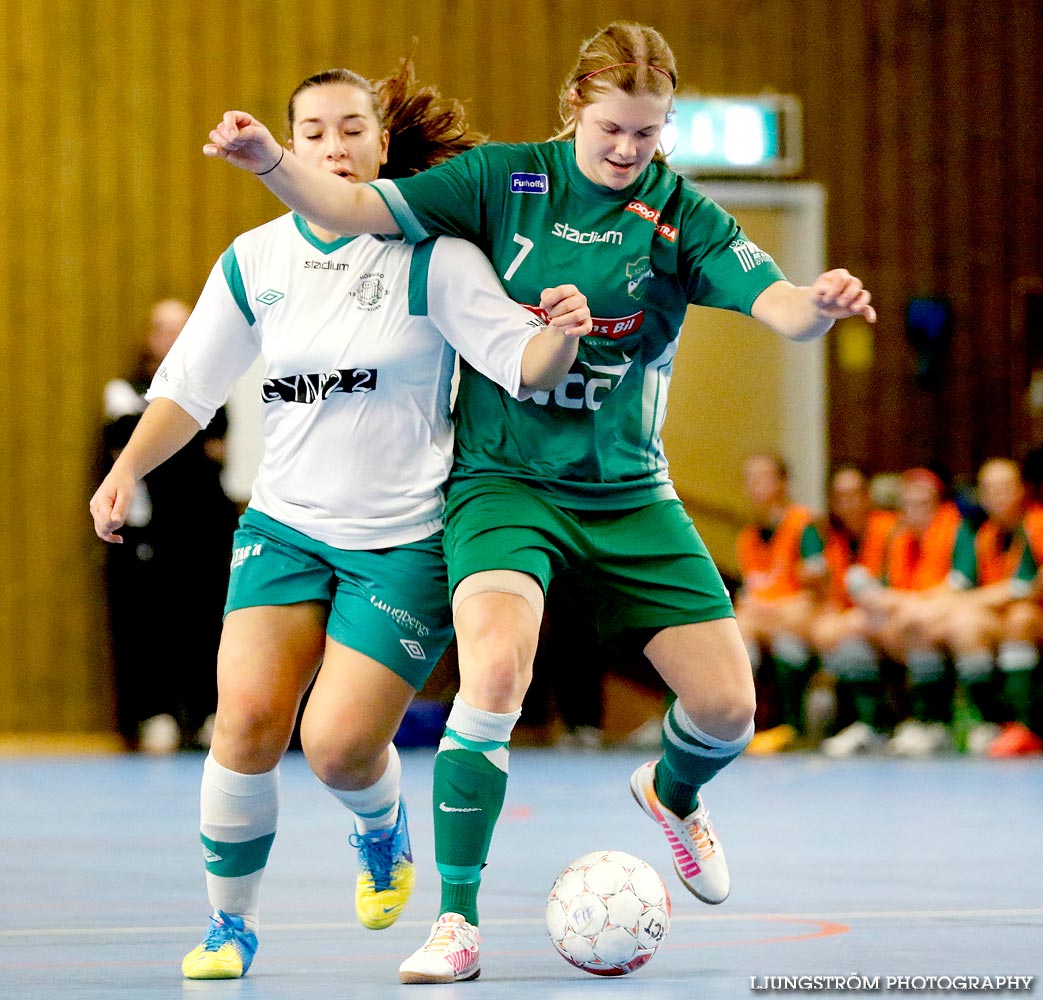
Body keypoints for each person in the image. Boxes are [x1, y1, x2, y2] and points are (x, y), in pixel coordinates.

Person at [203, 20, 877, 984]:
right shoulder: (500, 185)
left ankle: (673, 793)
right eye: (611, 130)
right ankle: (456, 922)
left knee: (729, 707)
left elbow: (776, 303)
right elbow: (351, 209)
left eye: (648, 134)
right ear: (574, 109)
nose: (627, 151)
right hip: (503, 483)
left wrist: (819, 303)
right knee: (497, 674)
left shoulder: (680, 214)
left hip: (627, 491)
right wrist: (270, 159)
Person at [92, 62, 591, 982]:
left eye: (352, 128)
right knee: (243, 720)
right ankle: (229, 925)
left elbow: (520, 361)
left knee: (336, 747)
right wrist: (126, 471)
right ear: (294, 141)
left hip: (401, 542)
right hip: (284, 528)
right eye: (314, 130)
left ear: (382, 141)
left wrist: (561, 329)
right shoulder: (254, 260)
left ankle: (379, 827)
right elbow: (188, 388)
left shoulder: (435, 258)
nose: (334, 145)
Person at [100, 298, 237, 753]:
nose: (174, 338)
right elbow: (134, 449)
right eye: (164, 328)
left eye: (184, 328)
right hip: (150, 533)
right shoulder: (124, 390)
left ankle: (205, 713)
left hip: (203, 529)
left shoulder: (213, 389)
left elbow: (215, 448)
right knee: (149, 624)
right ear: (149, 336)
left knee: (205, 620)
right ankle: (154, 715)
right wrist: (176, 447)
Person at [846, 467, 973, 755]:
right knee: (854, 627)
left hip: (951, 612)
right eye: (908, 505)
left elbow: (961, 585)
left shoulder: (957, 530)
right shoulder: (898, 538)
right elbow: (888, 588)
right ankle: (873, 725)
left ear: (939, 505)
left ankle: (931, 723)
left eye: (923, 504)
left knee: (915, 622)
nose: (915, 511)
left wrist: (905, 604)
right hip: (907, 611)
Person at [940, 459, 1043, 756]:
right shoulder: (985, 535)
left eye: (1005, 487)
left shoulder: (1037, 524)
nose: (997, 496)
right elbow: (969, 588)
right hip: (1004, 615)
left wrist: (966, 601)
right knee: (966, 626)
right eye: (990, 489)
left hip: (1030, 616)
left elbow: (1026, 588)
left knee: (1019, 618)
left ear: (1022, 490)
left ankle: (1026, 725)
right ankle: (991, 723)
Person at [733, 452, 826, 754]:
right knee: (735, 642)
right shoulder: (747, 536)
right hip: (763, 622)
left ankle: (792, 728)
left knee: (788, 644)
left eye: (765, 477)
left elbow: (816, 593)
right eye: (750, 478)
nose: (756, 485)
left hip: (796, 623)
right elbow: (749, 594)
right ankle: (741, 730)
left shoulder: (803, 525)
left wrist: (768, 613)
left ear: (783, 482)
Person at [814, 466, 898, 757]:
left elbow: (894, 589)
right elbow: (835, 596)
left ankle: (879, 725)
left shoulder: (890, 530)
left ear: (867, 497)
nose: (848, 503)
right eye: (840, 496)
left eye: (854, 494)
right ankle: (863, 725)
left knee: (846, 637)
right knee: (829, 635)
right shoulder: (835, 541)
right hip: (858, 620)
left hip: (891, 618)